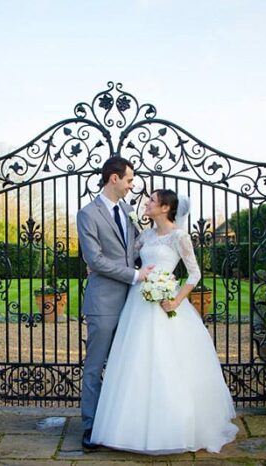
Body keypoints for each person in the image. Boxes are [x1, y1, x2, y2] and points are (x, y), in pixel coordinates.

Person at [90, 189, 239, 455]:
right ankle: (128, 428)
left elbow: (194, 274)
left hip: (165, 304)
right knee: (134, 362)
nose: (147, 203)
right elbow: (126, 260)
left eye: (152, 201)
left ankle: (171, 427)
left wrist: (177, 300)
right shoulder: (144, 236)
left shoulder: (179, 237)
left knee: (167, 362)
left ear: (166, 208)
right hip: (137, 304)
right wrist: (96, 264)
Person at [76, 157, 155, 451]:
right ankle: (90, 426)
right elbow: (94, 259)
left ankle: (123, 423)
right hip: (104, 301)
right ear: (114, 179)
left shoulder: (127, 210)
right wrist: (134, 274)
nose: (132, 185)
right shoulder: (87, 214)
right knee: (95, 365)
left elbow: (133, 248)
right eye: (129, 180)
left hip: (134, 302)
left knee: (129, 363)